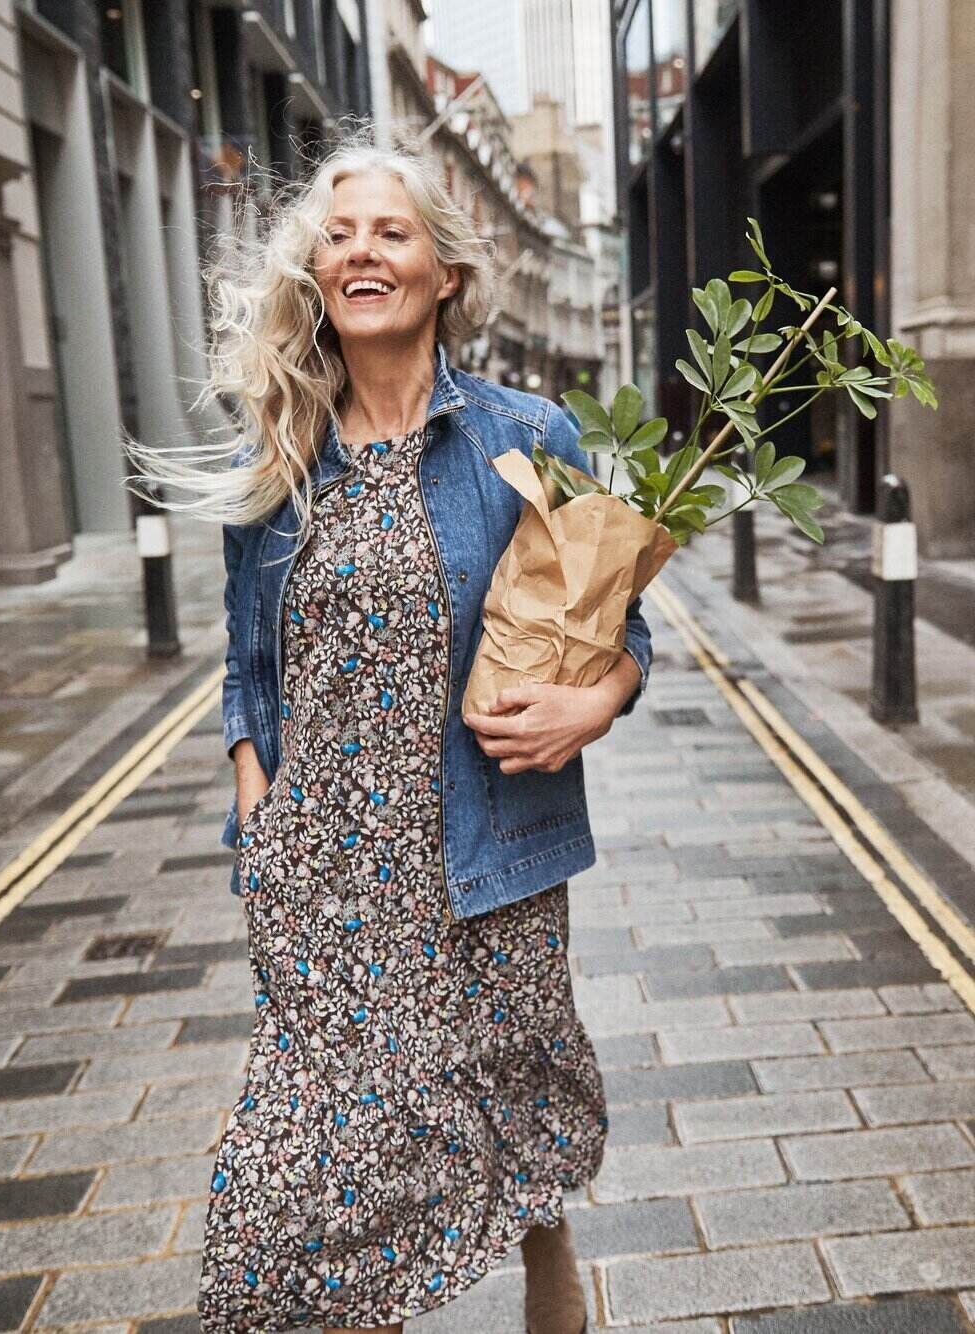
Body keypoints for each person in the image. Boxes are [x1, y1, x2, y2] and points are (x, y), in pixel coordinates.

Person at [128, 124, 653, 1334]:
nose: (360, 250)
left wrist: (597, 698)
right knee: (299, 1181)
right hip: (323, 873)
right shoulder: (277, 454)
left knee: (511, 1091)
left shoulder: (529, 436)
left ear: (444, 274)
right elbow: (245, 658)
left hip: (482, 851)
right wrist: (254, 791)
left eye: (391, 231)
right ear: (316, 272)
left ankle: (543, 1238)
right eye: (339, 233)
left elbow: (623, 631)